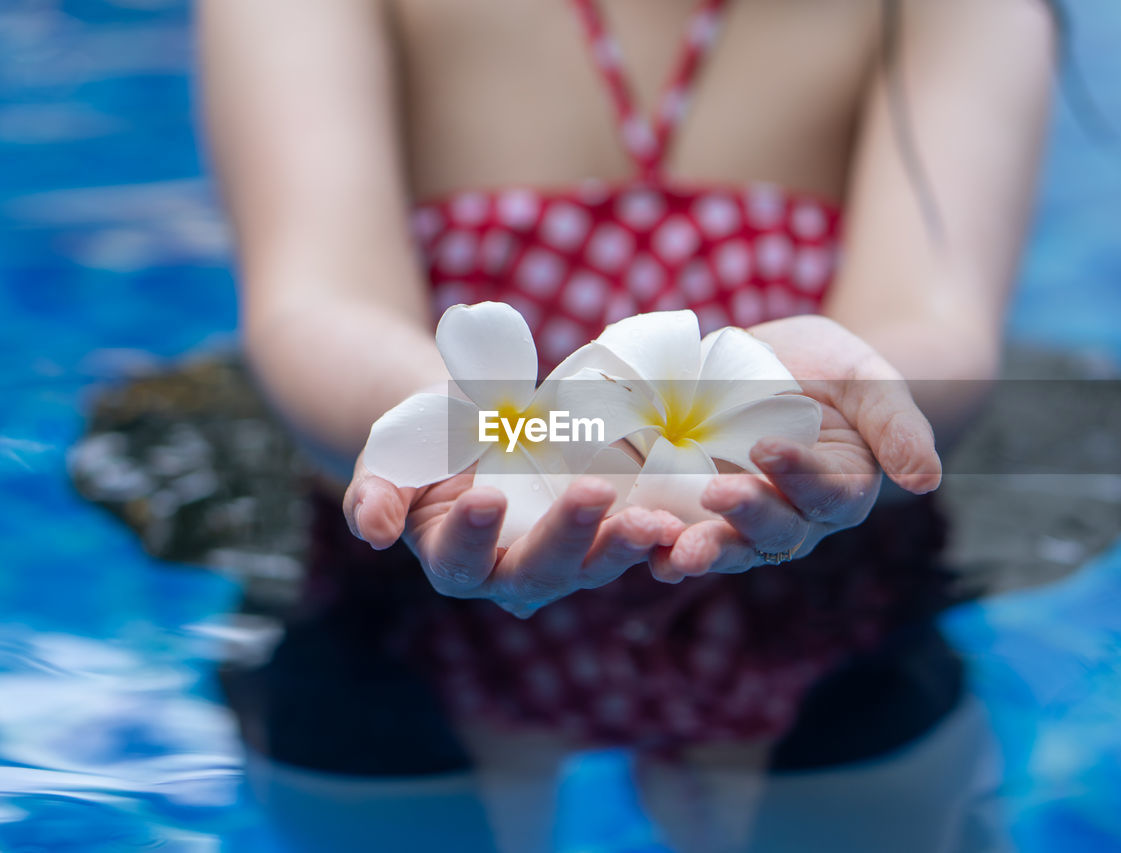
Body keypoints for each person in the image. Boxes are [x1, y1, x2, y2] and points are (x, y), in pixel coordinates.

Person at [200, 0, 1053, 848]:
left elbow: (933, 319)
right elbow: (314, 300)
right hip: (404, 600)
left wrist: (848, 384)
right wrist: (441, 424)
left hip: (813, 598)